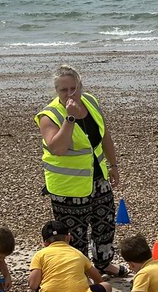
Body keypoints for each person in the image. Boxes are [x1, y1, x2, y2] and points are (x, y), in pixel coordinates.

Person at [35, 65, 126, 278]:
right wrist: (70, 118)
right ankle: (81, 273)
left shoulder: (91, 102)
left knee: (105, 225)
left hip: (97, 177)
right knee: (74, 235)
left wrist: (113, 166)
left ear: (80, 86)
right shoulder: (49, 116)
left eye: (73, 89)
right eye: (63, 90)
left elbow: (104, 135)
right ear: (56, 92)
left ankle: (103, 264)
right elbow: (57, 148)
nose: (70, 94)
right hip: (68, 187)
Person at [28, 220, 112, 292]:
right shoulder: (78, 254)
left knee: (44, 284)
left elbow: (32, 285)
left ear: (45, 243)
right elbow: (98, 280)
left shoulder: (40, 254)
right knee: (107, 287)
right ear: (68, 238)